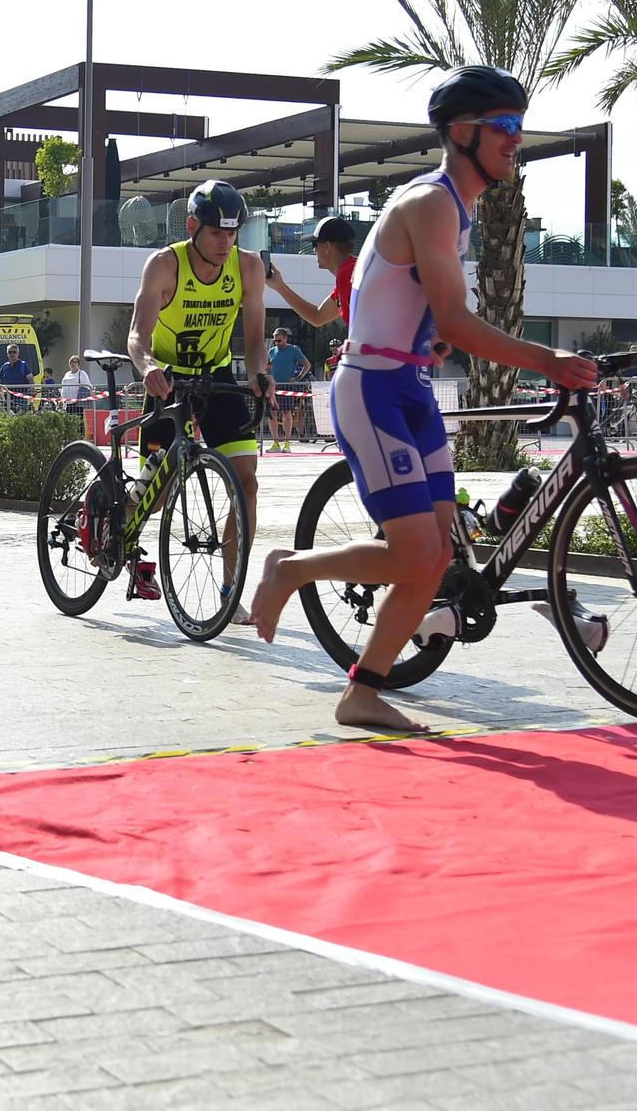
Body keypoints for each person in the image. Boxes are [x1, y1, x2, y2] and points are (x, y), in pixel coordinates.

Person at [247, 66, 599, 733]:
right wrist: (546, 358)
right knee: (414, 554)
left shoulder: (457, 211)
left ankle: (363, 691)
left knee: (436, 555)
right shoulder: (433, 202)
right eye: (506, 128)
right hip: (373, 388)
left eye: (520, 128)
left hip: (409, 386)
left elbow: (424, 306)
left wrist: (431, 336)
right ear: (464, 133)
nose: (516, 142)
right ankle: (290, 569)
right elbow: (460, 319)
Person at [125, 179, 271, 611]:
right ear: (192, 226)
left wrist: (260, 374)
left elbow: (257, 340)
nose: (226, 242)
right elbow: (137, 335)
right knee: (155, 498)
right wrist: (148, 367)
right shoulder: (164, 265)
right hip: (168, 379)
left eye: (233, 233)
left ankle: (230, 590)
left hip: (217, 378)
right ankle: (116, 536)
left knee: (247, 484)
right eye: (216, 233)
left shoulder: (247, 268)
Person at [265, 328, 312, 452]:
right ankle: (275, 443)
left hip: (287, 386)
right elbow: (268, 365)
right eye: (275, 340)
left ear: (286, 338)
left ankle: (287, 442)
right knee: (272, 414)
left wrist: (298, 378)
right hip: (274, 386)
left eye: (279, 340)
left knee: (287, 413)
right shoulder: (272, 351)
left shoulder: (294, 350)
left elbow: (307, 364)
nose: (277, 343)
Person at [0, 342, 34, 410]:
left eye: (14, 352)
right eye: (10, 352)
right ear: (7, 354)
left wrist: (32, 389)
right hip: (8, 397)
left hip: (21, 397)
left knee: (21, 416)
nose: (12, 354)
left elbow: (30, 378)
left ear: (18, 353)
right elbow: (0, 380)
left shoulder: (23, 365)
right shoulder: (4, 366)